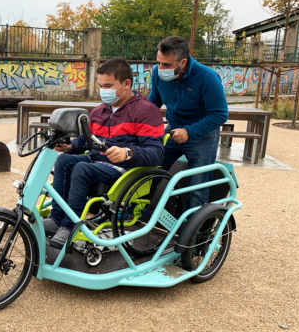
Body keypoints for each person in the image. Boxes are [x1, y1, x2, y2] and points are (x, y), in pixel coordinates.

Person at [44, 57, 165, 249]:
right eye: (100, 86)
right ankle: (57, 219)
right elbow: (87, 140)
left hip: (125, 170)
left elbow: (157, 153)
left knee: (82, 168)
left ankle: (69, 227)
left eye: (108, 85)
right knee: (65, 160)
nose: (103, 91)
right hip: (97, 163)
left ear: (126, 84)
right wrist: (70, 147)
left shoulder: (146, 110)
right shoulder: (99, 111)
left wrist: (128, 153)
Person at [148, 36, 228, 211]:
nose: (160, 69)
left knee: (198, 185)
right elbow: (154, 101)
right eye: (159, 63)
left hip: (202, 133)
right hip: (173, 129)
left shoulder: (207, 78)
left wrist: (189, 132)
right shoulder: (157, 73)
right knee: (151, 170)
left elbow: (220, 114)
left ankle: (194, 230)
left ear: (182, 62)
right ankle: (145, 212)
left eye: (166, 65)